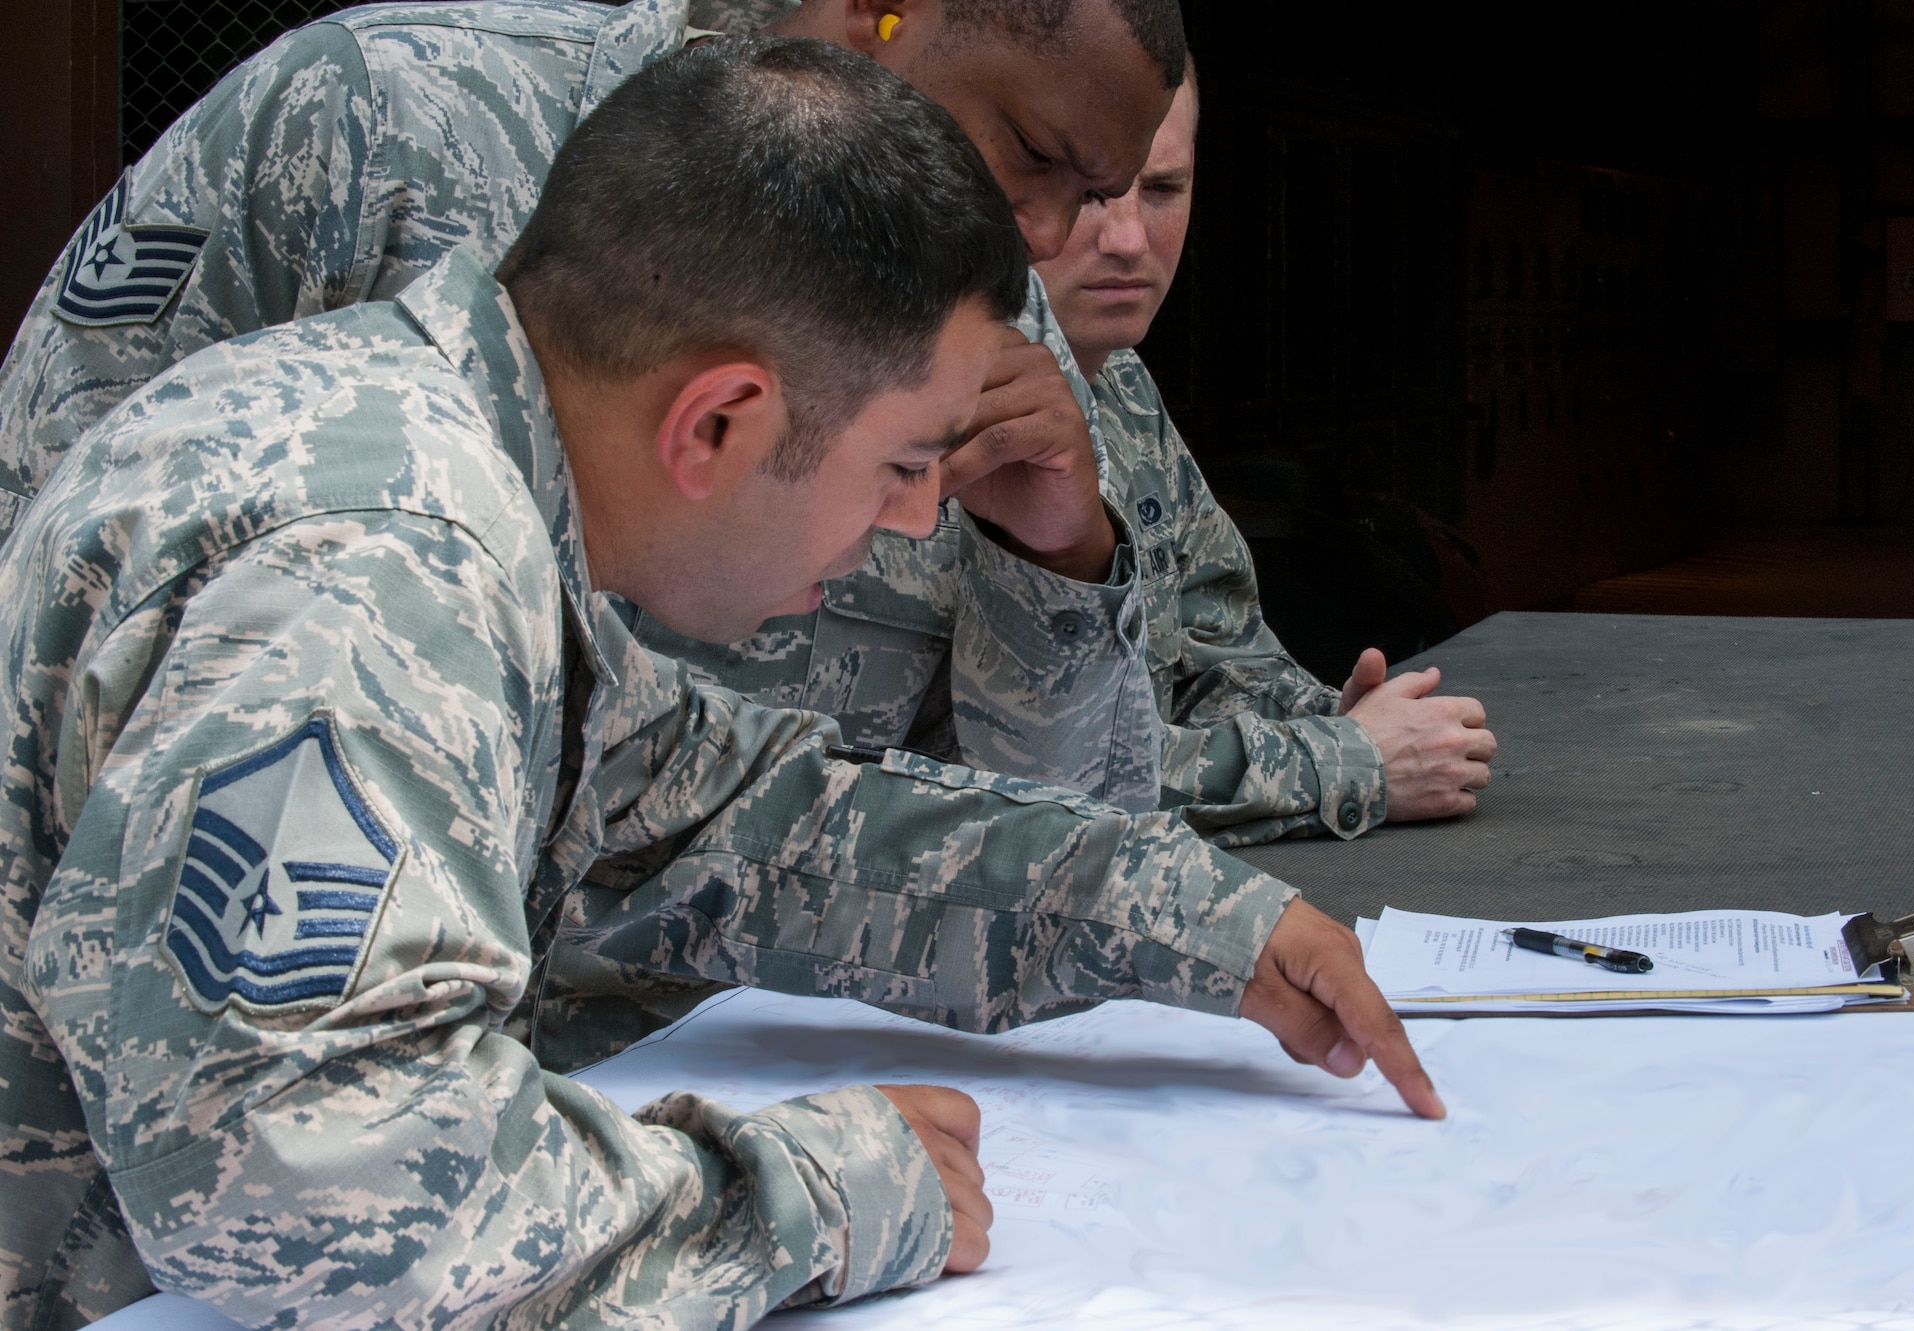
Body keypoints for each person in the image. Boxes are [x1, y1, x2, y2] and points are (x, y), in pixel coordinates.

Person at [0, 38, 1443, 1330]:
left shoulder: (460, 464)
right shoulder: (388, 559)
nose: (915, 524)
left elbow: (750, 823)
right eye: (899, 466)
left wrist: (1200, 920)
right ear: (720, 421)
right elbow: (298, 1171)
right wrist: (831, 1187)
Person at [0, 0, 1181, 812]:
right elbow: (53, 560)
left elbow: (1064, 822)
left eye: (1092, 195)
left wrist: (1062, 564)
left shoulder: (988, 335)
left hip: (757, 1050)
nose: (1047, 236)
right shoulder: (385, 118)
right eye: (1032, 151)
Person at [1030, 66, 1498, 846]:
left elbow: (1219, 655)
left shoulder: (1120, 385)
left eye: (1163, 189)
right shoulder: (919, 411)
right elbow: (1018, 784)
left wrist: (1332, 720)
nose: (1128, 239)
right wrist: (1343, 763)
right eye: (1089, 192)